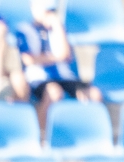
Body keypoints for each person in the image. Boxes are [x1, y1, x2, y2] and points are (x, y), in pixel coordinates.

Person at [15, 0, 102, 129]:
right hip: (39, 79)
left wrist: (57, 26)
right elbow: (29, 59)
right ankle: (41, 136)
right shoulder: (25, 29)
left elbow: (66, 54)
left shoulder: (58, 29)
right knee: (53, 93)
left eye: (51, 11)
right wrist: (56, 57)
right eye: (46, 10)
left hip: (65, 78)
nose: (49, 14)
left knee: (94, 94)